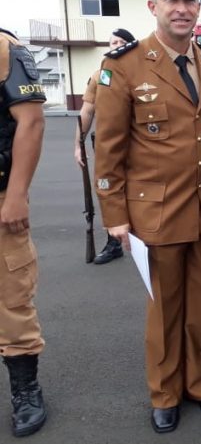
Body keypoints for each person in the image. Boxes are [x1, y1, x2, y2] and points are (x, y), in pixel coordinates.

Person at [94, 0, 201, 433]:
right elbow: (109, 149)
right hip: (155, 214)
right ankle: (165, 391)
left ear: (198, 7)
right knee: (165, 311)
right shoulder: (126, 66)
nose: (182, 8)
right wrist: (114, 215)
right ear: (153, 5)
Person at [0, 28, 47, 437]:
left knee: (11, 297)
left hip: (0, 199)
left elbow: (30, 121)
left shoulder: (4, 47)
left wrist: (16, 195)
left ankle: (26, 389)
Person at [74, 28, 135, 264]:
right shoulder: (99, 75)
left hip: (138, 144)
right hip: (108, 145)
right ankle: (113, 242)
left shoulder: (140, 72)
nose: (116, 45)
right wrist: (78, 144)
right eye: (112, 42)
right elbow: (87, 111)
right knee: (108, 190)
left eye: (121, 41)